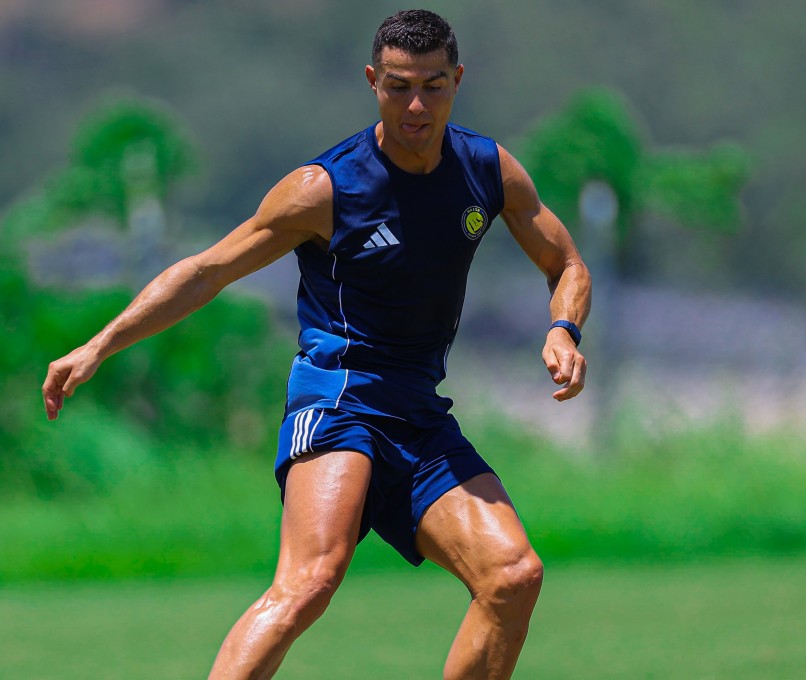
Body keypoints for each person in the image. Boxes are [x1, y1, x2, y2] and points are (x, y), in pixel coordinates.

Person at [42, 9, 590, 680]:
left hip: (418, 412)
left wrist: (563, 328)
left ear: (458, 80)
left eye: (433, 86)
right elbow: (206, 271)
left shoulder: (486, 168)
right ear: (372, 81)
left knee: (512, 576)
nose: (416, 106)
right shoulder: (325, 188)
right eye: (398, 87)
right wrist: (99, 345)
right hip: (339, 398)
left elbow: (566, 265)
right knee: (310, 580)